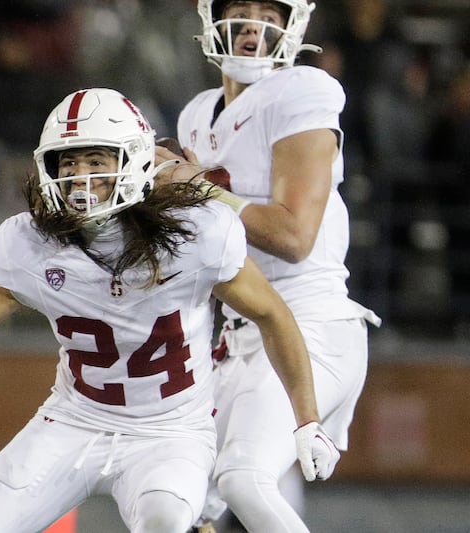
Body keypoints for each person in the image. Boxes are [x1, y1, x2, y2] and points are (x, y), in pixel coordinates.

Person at [0, 87, 339, 533]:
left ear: (132, 161)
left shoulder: (198, 233)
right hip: (73, 420)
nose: (80, 177)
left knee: (164, 521)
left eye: (97, 160)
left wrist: (307, 419)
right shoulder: (29, 245)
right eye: (70, 161)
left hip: (169, 432)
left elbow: (274, 316)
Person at [154, 1, 382, 532]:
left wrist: (194, 187)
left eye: (269, 10)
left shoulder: (303, 90)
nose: (254, 21)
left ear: (292, 24)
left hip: (310, 323)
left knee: (243, 477)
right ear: (212, 17)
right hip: (237, 335)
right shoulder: (196, 113)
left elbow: (293, 236)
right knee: (168, 499)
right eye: (240, 7)